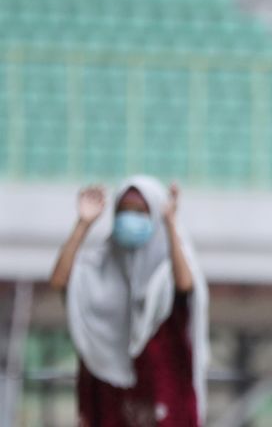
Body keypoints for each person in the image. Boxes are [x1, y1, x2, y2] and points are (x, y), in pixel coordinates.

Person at [50, 176, 209, 427]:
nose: (130, 218)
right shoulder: (100, 266)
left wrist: (170, 224)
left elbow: (185, 287)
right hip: (108, 401)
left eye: (140, 211)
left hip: (163, 401)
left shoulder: (169, 271)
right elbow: (60, 281)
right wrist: (83, 224)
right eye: (123, 211)